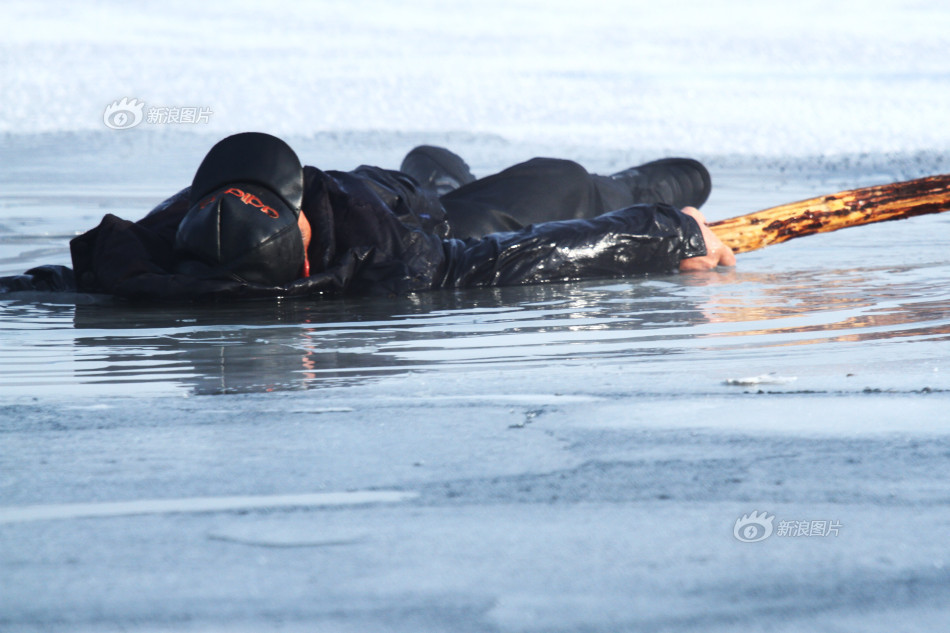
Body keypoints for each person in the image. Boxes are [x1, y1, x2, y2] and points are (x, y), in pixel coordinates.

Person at [1, 132, 734, 301]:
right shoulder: (169, 244)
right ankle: (443, 175)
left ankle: (657, 183)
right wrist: (666, 230)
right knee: (558, 182)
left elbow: (525, 256)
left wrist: (666, 223)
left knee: (570, 184)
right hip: (429, 222)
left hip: (393, 201)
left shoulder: (391, 250)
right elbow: (523, 256)